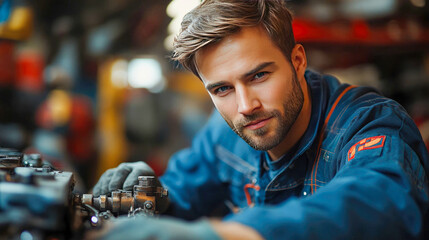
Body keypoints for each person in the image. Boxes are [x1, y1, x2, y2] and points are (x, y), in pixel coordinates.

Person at [90, 0, 429, 239]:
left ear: (297, 61)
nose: (245, 106)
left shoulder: (368, 125)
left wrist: (230, 235)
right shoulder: (224, 136)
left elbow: (383, 203)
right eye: (222, 89)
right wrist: (157, 195)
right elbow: (187, 189)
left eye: (258, 76)